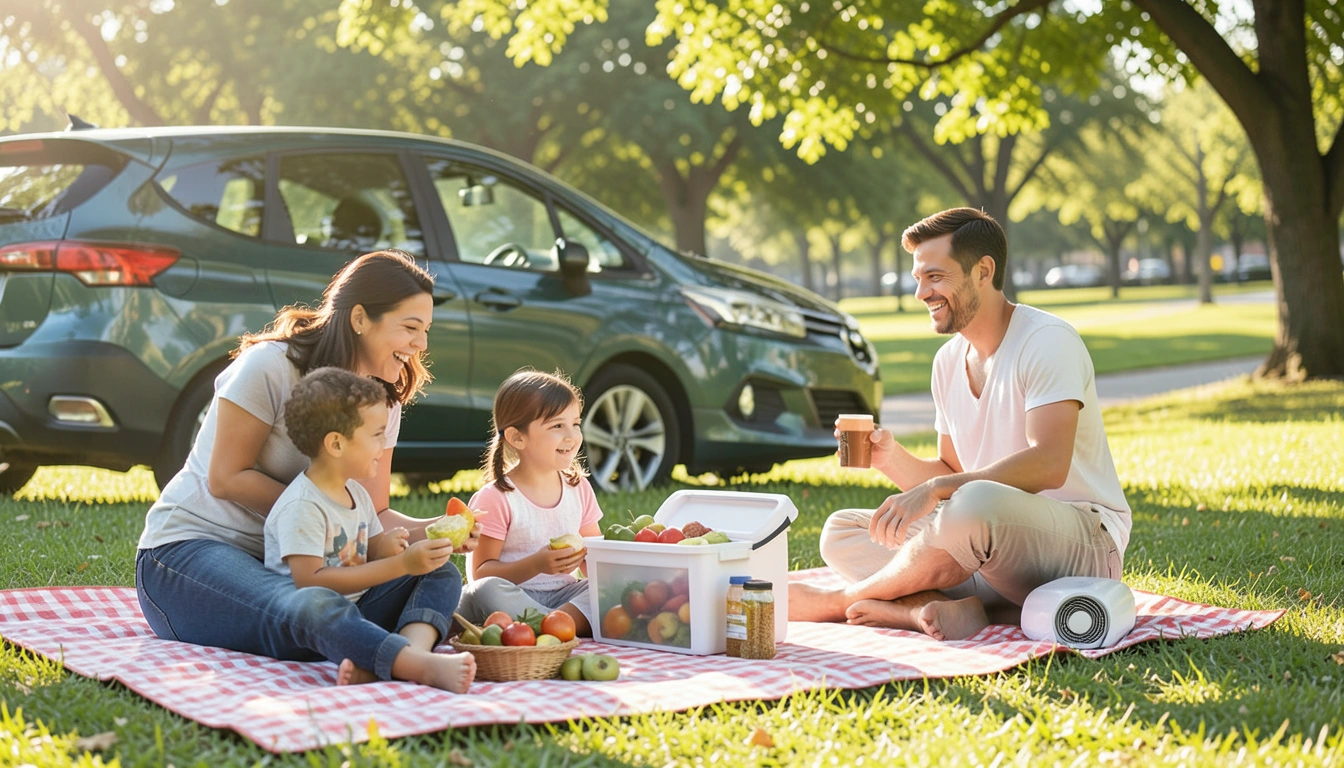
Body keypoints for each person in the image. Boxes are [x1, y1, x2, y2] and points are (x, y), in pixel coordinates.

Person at [136, 249, 480, 682]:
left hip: (297, 565)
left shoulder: (380, 401)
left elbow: (370, 513)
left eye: (426, 330)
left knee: (435, 572)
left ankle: (399, 654)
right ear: (359, 318)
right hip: (193, 553)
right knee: (308, 603)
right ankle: (406, 662)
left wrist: (437, 532)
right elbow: (224, 478)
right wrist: (317, 515)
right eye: (410, 328)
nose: (422, 345)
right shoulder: (271, 367)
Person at [790, 208, 1129, 641]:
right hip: (982, 540)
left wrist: (936, 493)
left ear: (983, 271)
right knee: (843, 531)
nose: (920, 293)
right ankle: (948, 611)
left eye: (935, 277)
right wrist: (889, 459)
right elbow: (952, 473)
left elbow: (1049, 464)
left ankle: (840, 602)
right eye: (918, 279)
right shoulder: (948, 361)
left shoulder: (1047, 341)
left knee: (968, 505)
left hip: (1081, 543)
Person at [263, 367, 474, 691]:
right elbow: (310, 583)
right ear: (336, 444)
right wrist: (399, 565)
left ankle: (408, 657)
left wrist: (390, 546)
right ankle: (404, 660)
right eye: (376, 435)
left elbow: (371, 546)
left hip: (364, 609)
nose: (384, 443)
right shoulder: (302, 505)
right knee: (320, 603)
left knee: (442, 572)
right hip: (319, 629)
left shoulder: (356, 492)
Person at [458, 370, 604, 636]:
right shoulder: (497, 497)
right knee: (484, 592)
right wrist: (536, 565)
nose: (571, 436)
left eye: (576, 423)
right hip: (513, 596)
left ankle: (548, 627)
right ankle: (558, 628)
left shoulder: (578, 487)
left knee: (609, 590)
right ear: (517, 437)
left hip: (564, 596)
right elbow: (480, 574)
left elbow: (592, 555)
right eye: (557, 426)